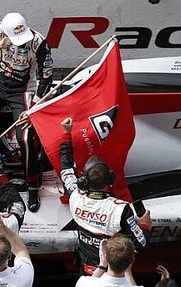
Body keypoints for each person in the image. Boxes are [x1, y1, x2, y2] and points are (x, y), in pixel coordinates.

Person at [0, 12, 54, 211]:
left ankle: (33, 185)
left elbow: (46, 77)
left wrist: (34, 108)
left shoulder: (38, 42)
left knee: (25, 137)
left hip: (22, 90)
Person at [57, 117, 151, 274]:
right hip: (111, 271)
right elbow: (139, 243)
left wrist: (66, 133)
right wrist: (145, 225)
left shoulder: (75, 195)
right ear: (110, 179)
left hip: (85, 266)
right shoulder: (121, 209)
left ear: (84, 181)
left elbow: (65, 167)